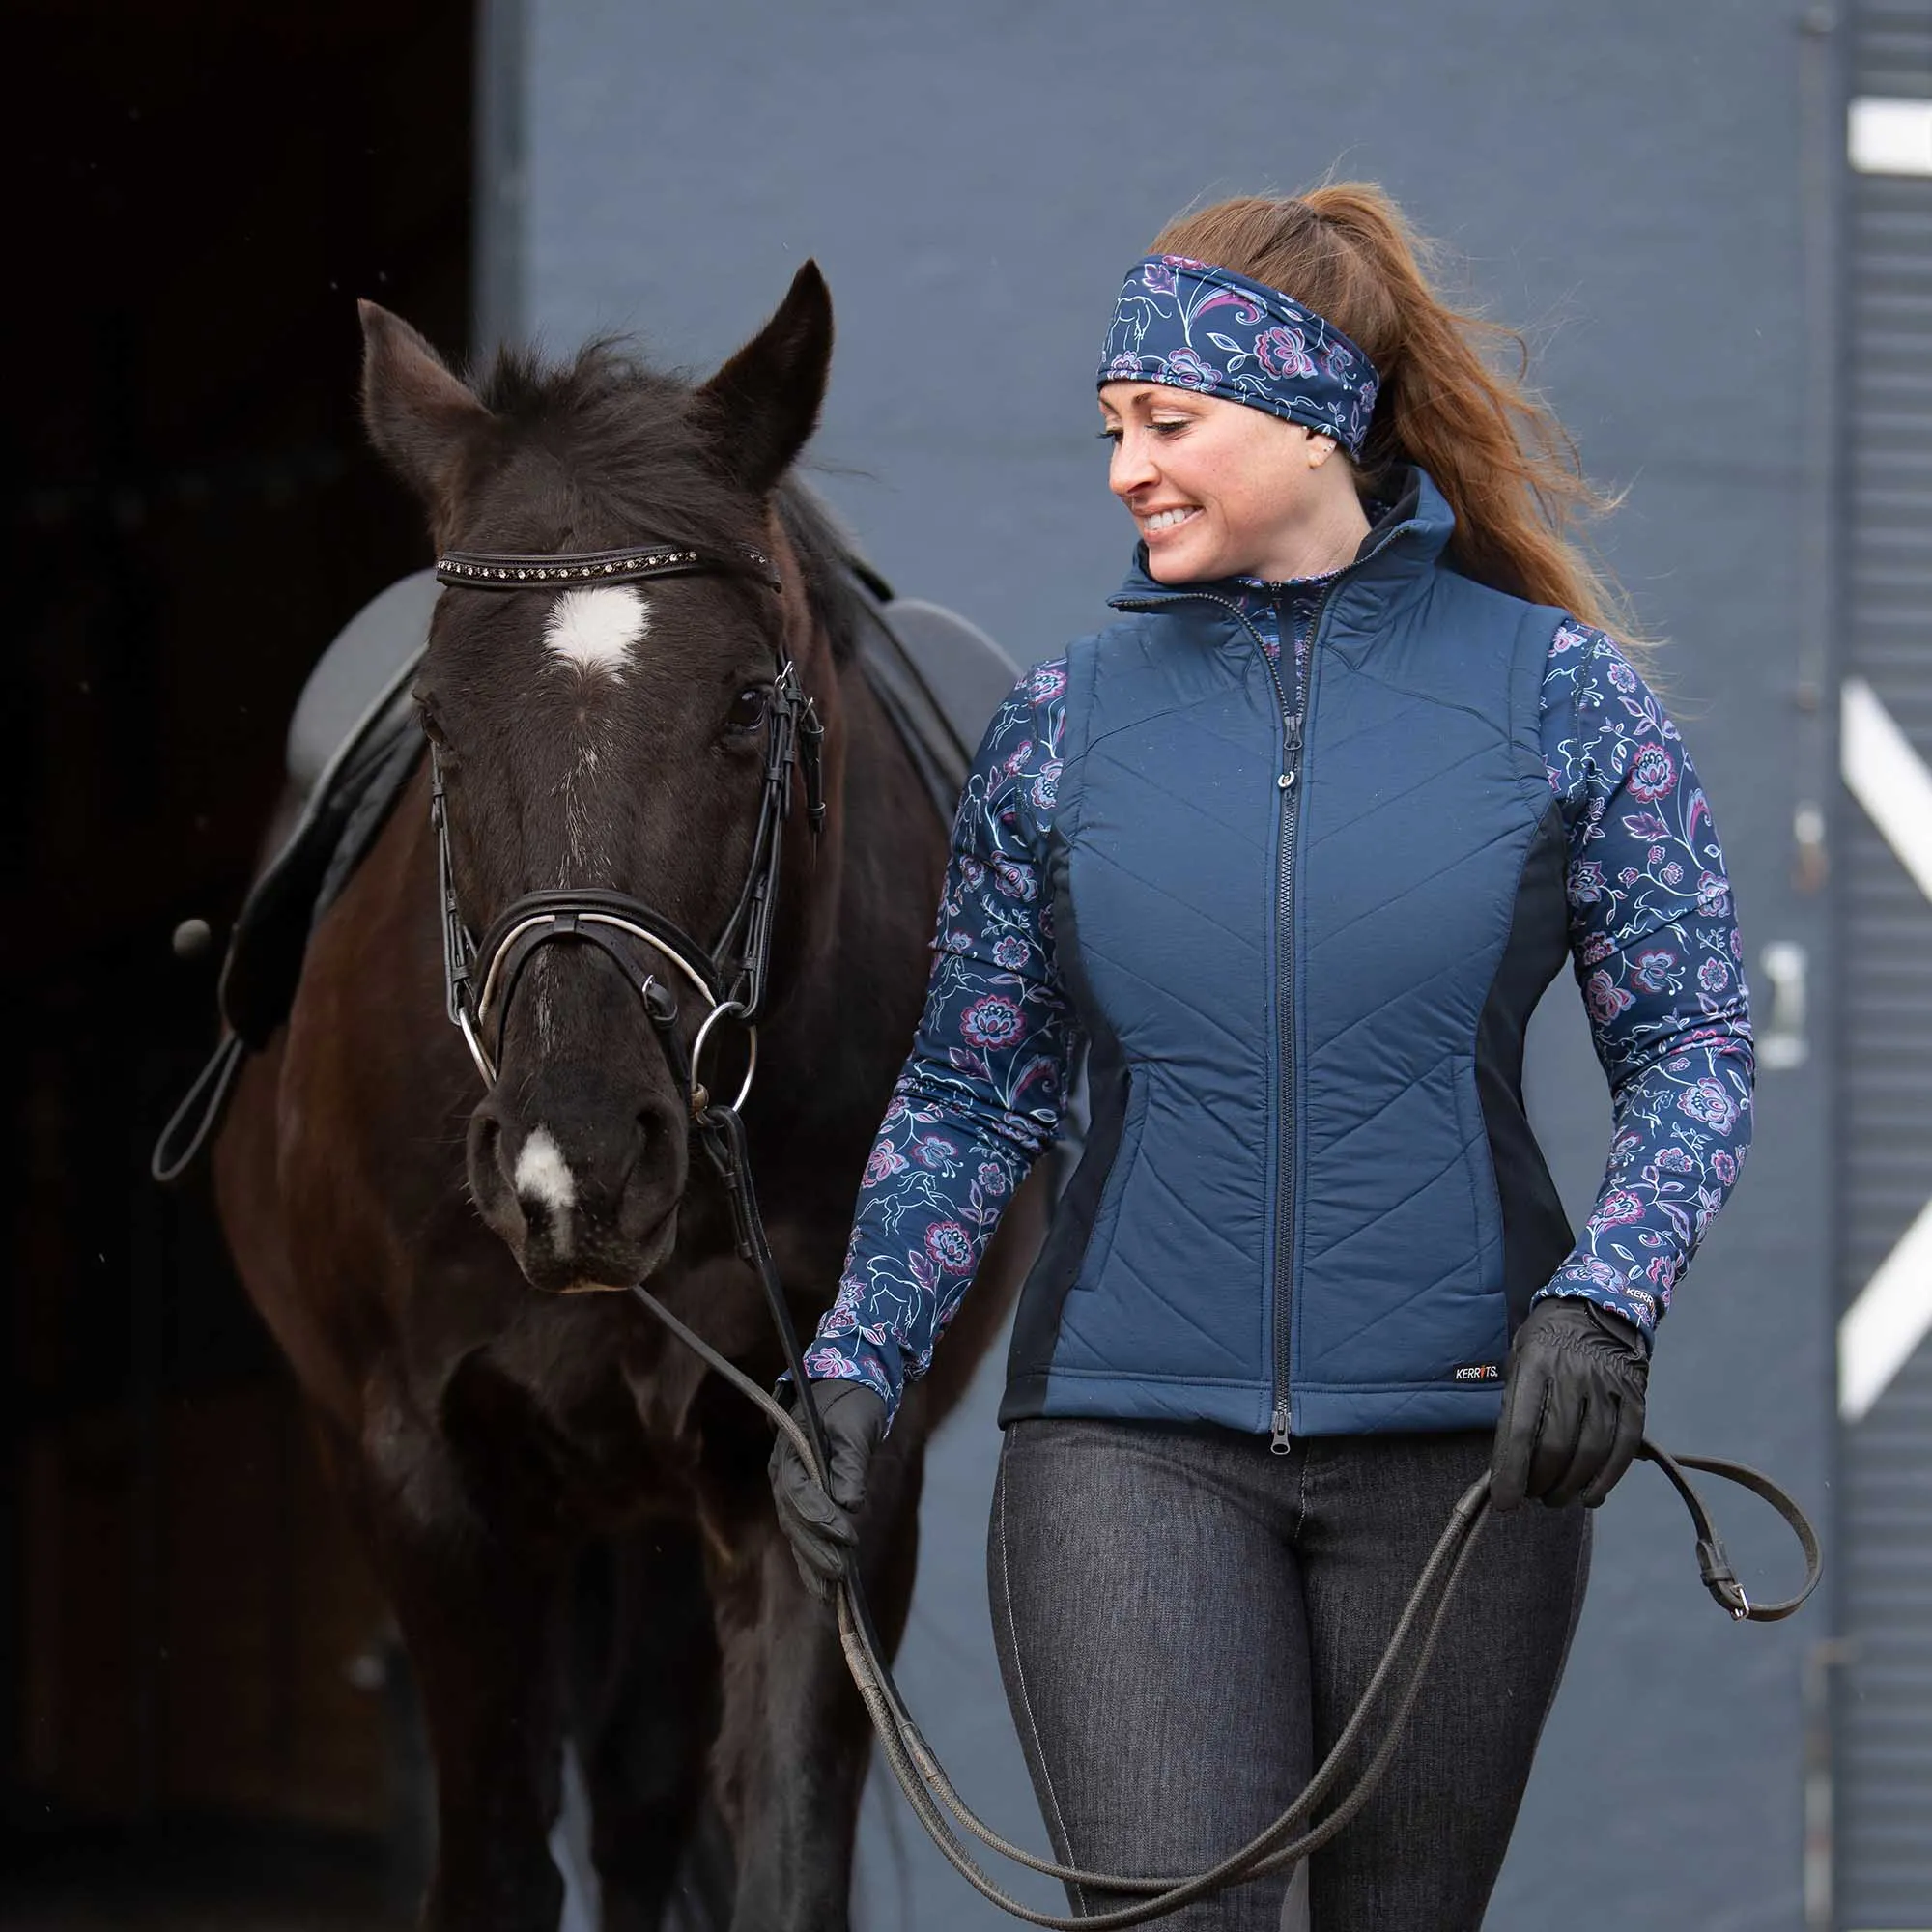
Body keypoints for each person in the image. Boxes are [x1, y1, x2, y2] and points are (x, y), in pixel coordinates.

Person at [769, 184, 1754, 1930]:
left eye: (1168, 422)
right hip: (1126, 1446)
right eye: (1111, 430)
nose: (1127, 466)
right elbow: (974, 1092)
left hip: (1464, 1464)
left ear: (1313, 416)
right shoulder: (1059, 734)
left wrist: (1607, 1300)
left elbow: (1692, 1049)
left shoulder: (1565, 700)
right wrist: (859, 1361)